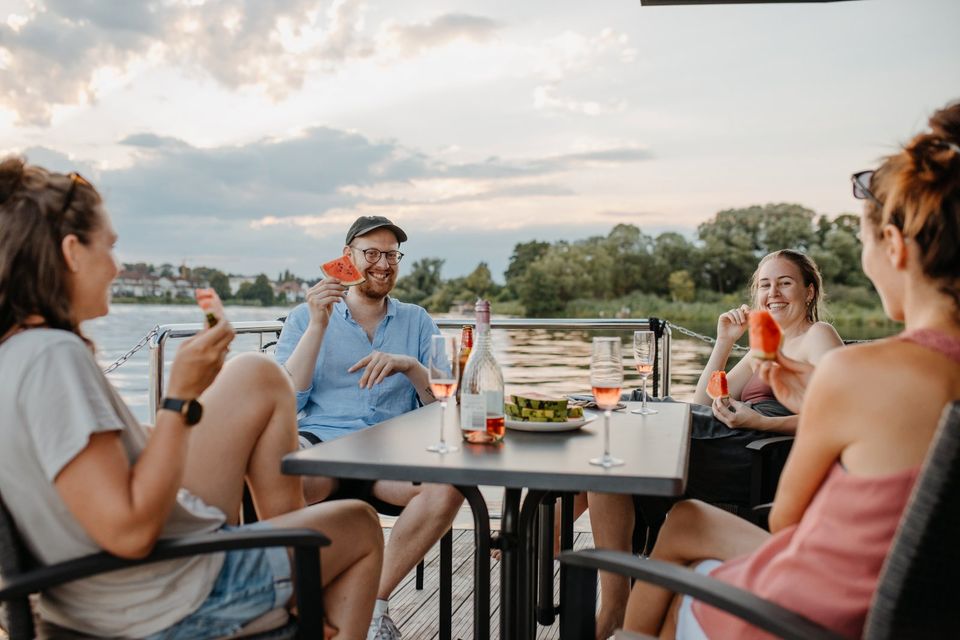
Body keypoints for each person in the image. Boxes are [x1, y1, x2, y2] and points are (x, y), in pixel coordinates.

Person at [0, 158, 384, 639]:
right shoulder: (53, 357)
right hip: (165, 600)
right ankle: (299, 591)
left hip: (105, 593)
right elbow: (130, 532)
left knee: (256, 372)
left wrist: (188, 406)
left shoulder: (17, 351)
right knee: (360, 524)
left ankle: (297, 582)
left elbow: (93, 461)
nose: (116, 267)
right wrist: (180, 396)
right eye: (110, 247)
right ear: (72, 252)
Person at [621, 101, 960, 639]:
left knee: (682, 540)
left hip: (806, 613)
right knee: (688, 519)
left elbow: (785, 521)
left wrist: (813, 403)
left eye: (864, 243)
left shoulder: (861, 372)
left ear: (894, 247)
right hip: (897, 605)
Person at [565, 249, 844, 639]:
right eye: (765, 285)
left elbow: (838, 416)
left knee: (631, 427)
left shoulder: (818, 335)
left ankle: (559, 540)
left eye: (785, 283)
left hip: (759, 455)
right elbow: (701, 403)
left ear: (809, 292)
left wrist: (763, 421)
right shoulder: (768, 344)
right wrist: (725, 342)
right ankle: (605, 595)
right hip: (732, 437)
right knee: (626, 428)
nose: (773, 293)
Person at [275, 215, 465, 640]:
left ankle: (373, 607)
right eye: (372, 254)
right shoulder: (305, 317)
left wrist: (412, 367)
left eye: (392, 255)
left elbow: (446, 407)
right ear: (348, 258)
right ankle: (291, 605)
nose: (383, 264)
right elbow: (287, 402)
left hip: (390, 456)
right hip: (323, 448)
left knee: (450, 485)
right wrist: (319, 323)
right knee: (274, 483)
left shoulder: (417, 321)